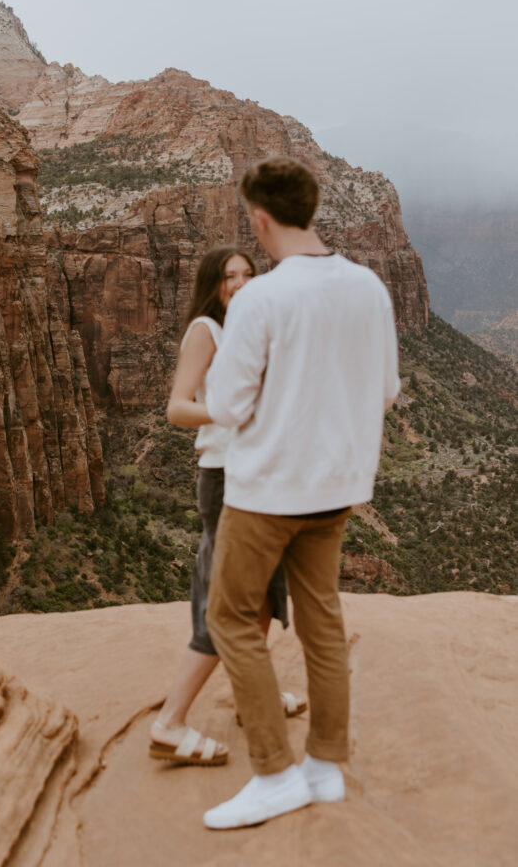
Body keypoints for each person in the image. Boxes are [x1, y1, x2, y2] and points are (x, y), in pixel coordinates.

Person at [201, 157, 400, 828]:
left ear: (259, 219)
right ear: (310, 210)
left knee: (229, 617)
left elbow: (225, 404)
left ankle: (273, 772)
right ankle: (323, 767)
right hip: (337, 489)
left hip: (265, 493)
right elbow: (385, 391)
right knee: (322, 624)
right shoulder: (368, 286)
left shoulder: (261, 297)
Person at [148, 245, 306, 767]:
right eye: (228, 276)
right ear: (212, 284)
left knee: (261, 595)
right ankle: (169, 723)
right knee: (229, 600)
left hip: (259, 481)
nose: (239, 284)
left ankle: (247, 697)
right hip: (225, 481)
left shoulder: (246, 333)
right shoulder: (206, 331)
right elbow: (176, 406)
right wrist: (230, 413)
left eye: (247, 274)